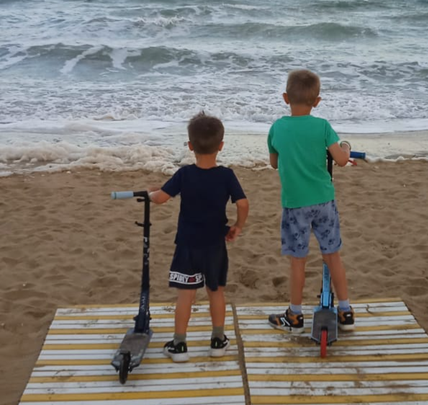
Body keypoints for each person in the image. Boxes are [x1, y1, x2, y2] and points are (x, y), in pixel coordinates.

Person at [148, 112, 249, 362]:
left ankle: (179, 344)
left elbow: (161, 198)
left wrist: (150, 194)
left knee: (186, 295)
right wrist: (238, 226)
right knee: (216, 292)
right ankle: (217, 341)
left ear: (190, 146)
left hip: (187, 245)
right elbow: (243, 203)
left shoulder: (185, 174)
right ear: (221, 146)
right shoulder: (226, 175)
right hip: (215, 245)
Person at [267, 69, 354, 334]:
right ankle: (345, 310)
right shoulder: (323, 126)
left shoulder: (277, 128)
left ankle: (294, 315)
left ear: (285, 98)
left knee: (298, 260)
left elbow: (274, 163)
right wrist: (346, 147)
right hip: (324, 201)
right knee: (332, 255)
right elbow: (341, 160)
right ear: (317, 101)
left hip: (295, 204)